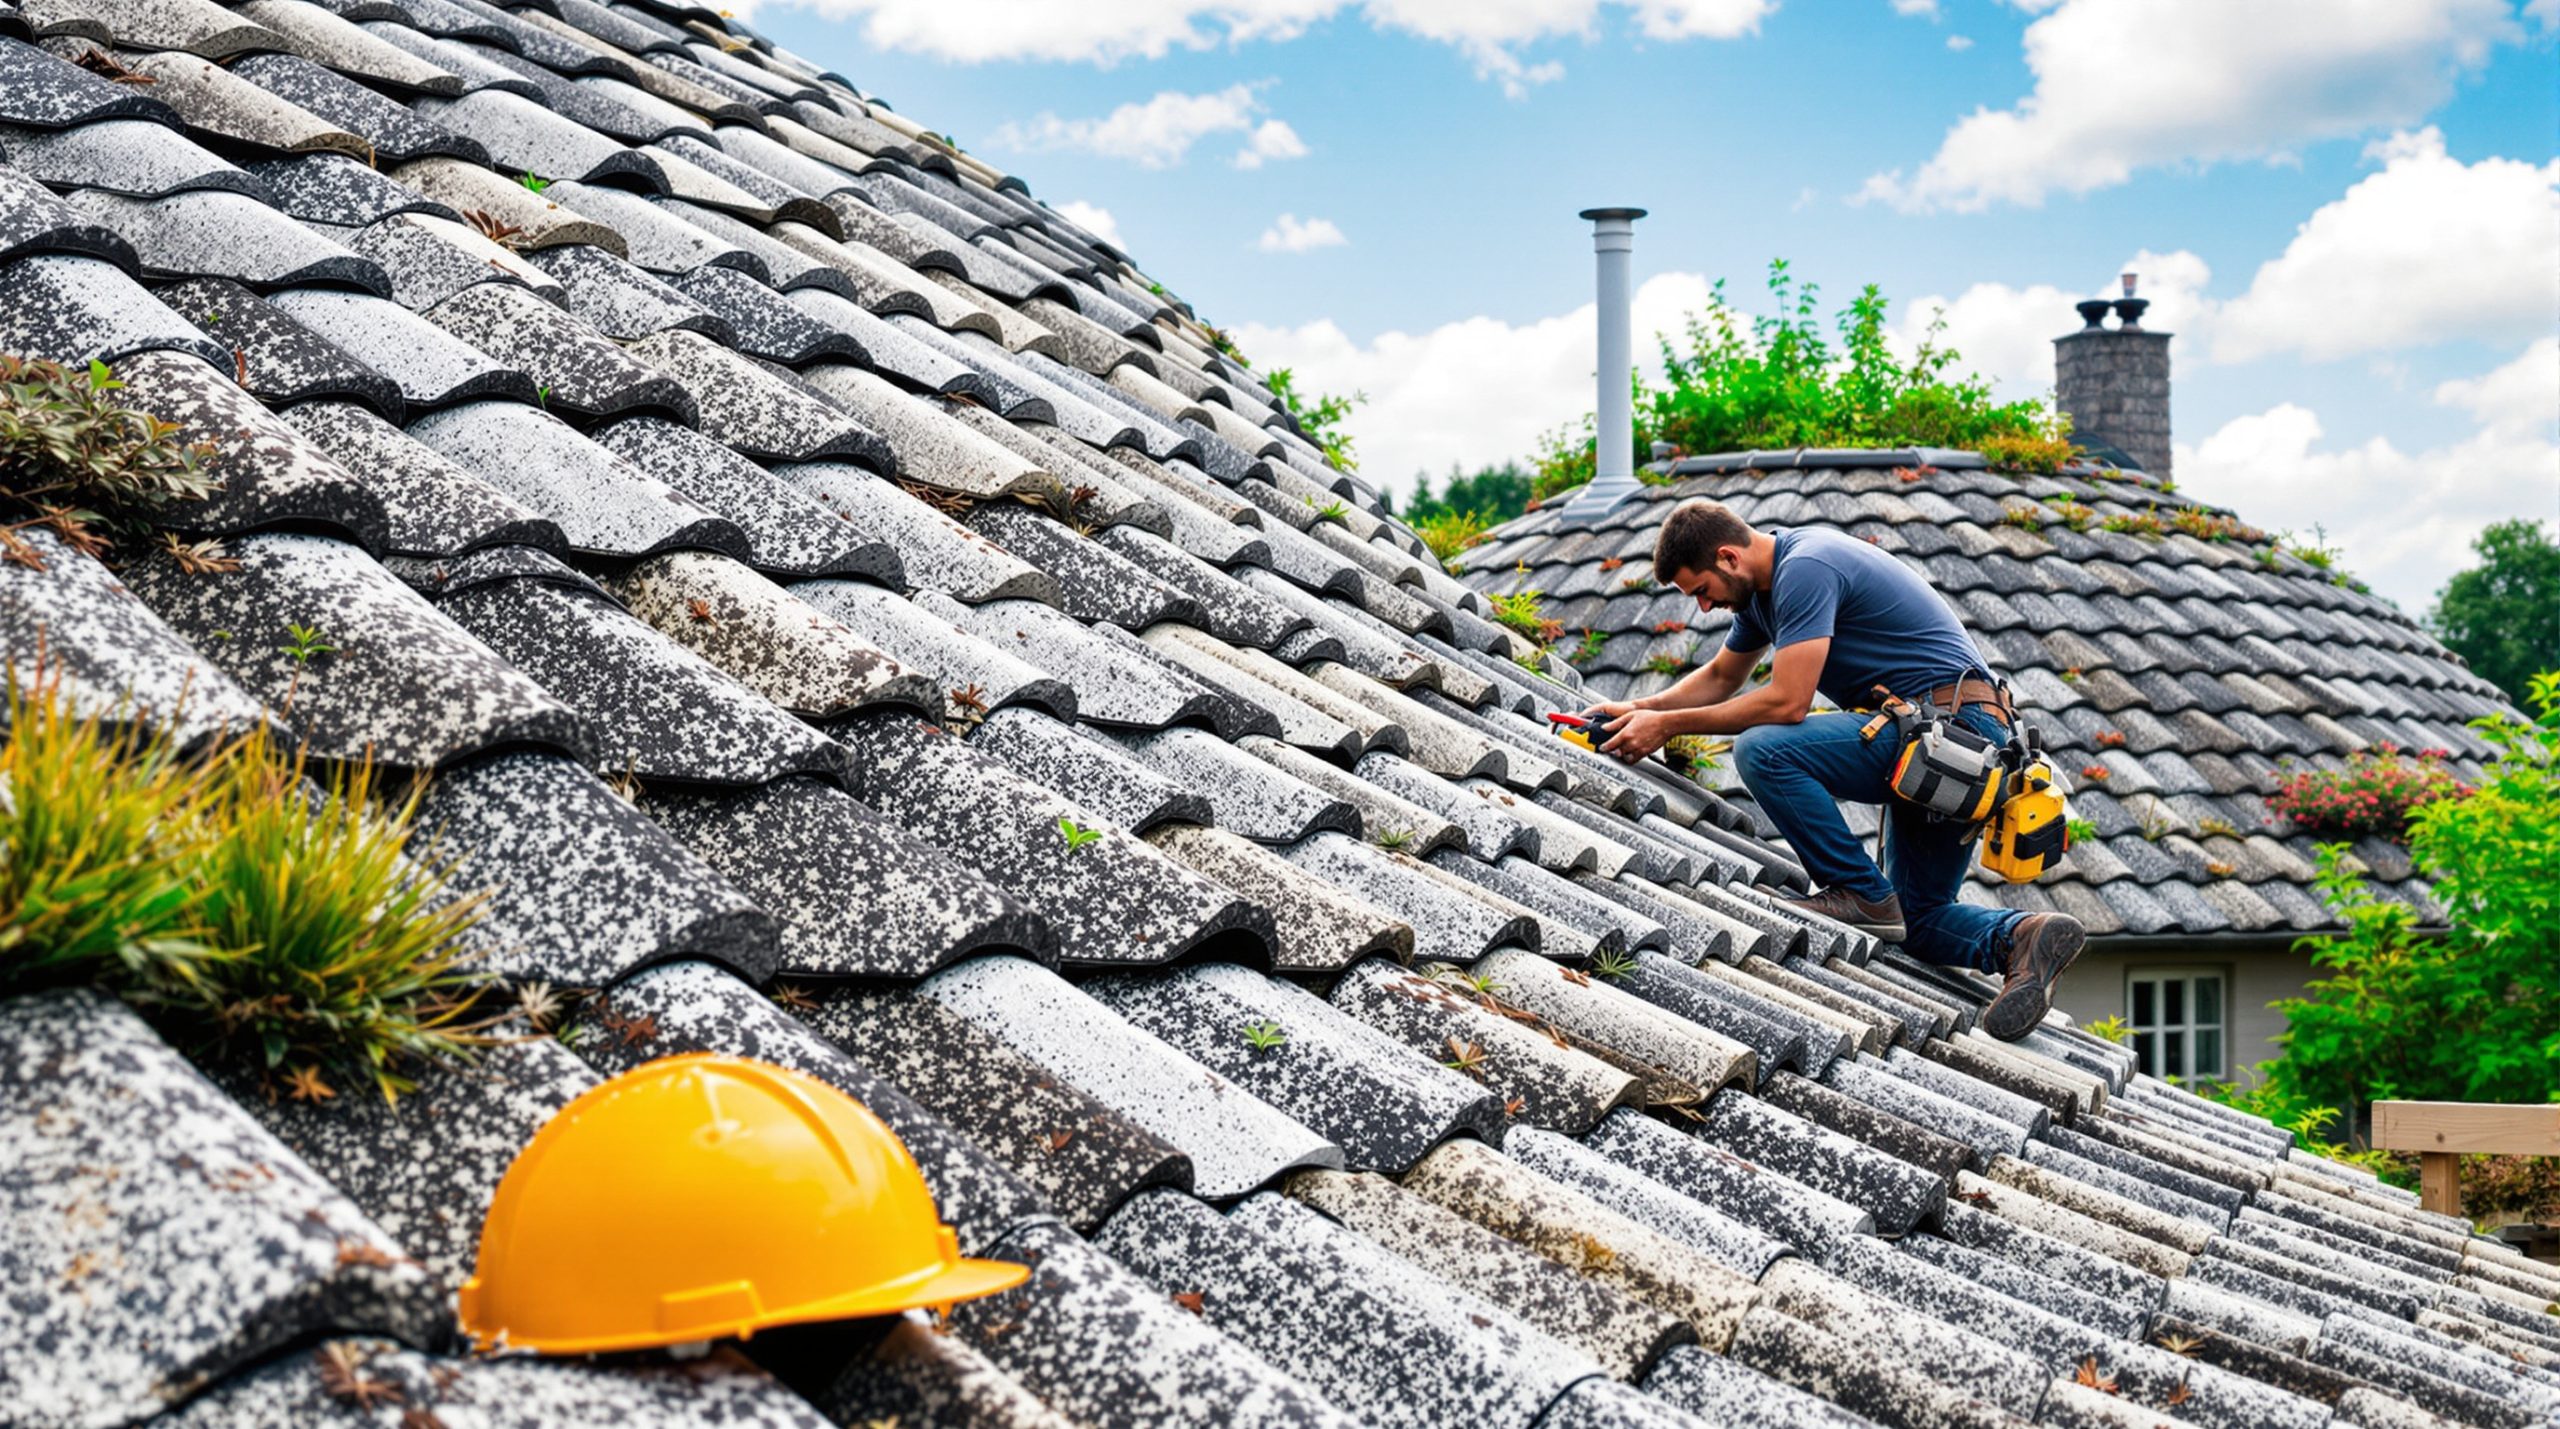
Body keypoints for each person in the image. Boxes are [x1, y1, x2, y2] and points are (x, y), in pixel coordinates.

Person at [1586, 498, 2083, 1040]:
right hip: (1947, 743)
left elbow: (1788, 703)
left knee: (1764, 749)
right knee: (1912, 921)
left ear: (1728, 557)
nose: (1704, 608)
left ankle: (1854, 889)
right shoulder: (1761, 595)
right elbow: (1721, 678)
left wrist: (1669, 727)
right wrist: (1639, 712)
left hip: (1949, 735)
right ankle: (2022, 939)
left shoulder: (1807, 567)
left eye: (1701, 591)